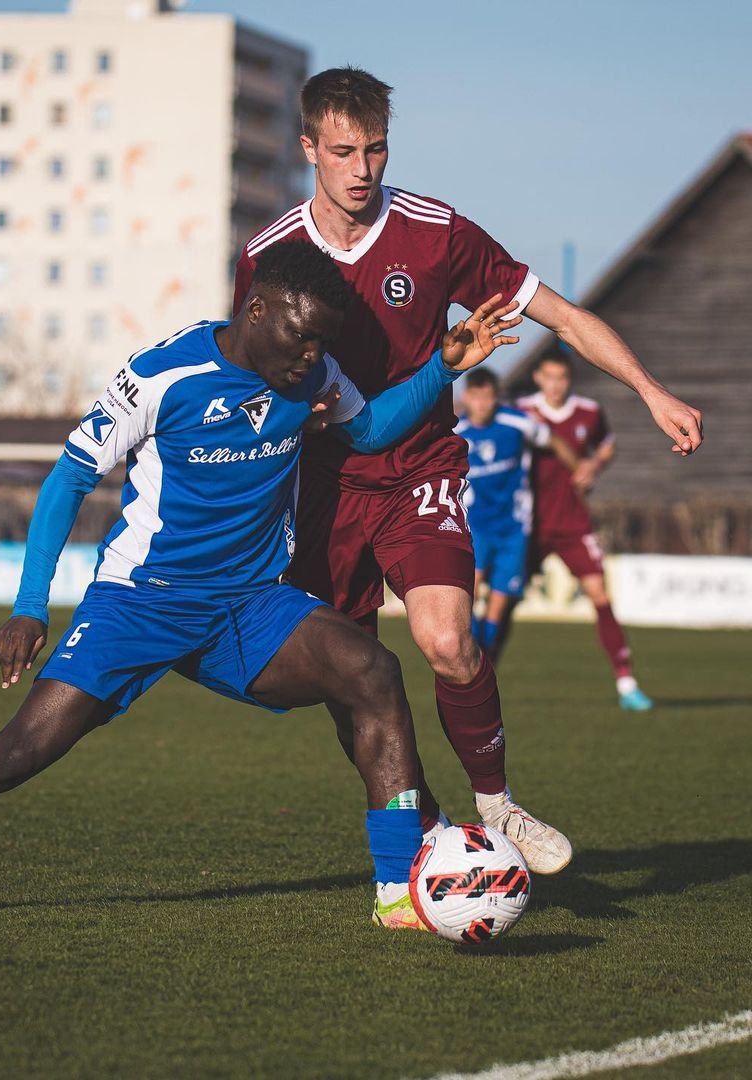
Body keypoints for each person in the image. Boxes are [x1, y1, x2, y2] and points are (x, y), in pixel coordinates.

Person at [0, 241, 521, 931]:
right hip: (140, 602)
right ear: (257, 310)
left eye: (323, 342)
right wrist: (29, 605)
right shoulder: (161, 374)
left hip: (250, 602)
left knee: (373, 670)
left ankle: (395, 893)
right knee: (14, 754)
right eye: (301, 336)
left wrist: (443, 367)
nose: (312, 356)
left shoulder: (312, 372)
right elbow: (67, 479)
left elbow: (371, 430)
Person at [233, 67, 702, 874]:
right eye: (343, 152)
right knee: (353, 681)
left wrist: (650, 390)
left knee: (447, 641)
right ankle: (432, 829)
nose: (362, 169)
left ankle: (497, 803)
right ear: (307, 147)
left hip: (419, 467)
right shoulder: (268, 255)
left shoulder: (436, 231)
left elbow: (561, 315)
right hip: (321, 490)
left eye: (376, 149)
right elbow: (246, 374)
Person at [516, 354, 653, 710]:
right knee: (501, 600)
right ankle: (475, 682)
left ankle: (627, 683)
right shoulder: (521, 411)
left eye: (561, 377)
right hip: (528, 523)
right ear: (538, 377)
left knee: (600, 595)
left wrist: (594, 464)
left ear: (569, 379)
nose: (555, 384)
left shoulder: (589, 412)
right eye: (549, 376)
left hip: (573, 522)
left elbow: (607, 444)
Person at [454, 369, 579, 661]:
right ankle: (474, 659)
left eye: (488, 397)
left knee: (498, 606)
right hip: (474, 526)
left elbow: (554, 440)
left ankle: (484, 660)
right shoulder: (456, 432)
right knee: (467, 595)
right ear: (466, 397)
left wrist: (580, 471)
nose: (482, 404)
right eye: (476, 397)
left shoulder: (517, 423)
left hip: (514, 527)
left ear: (496, 398)